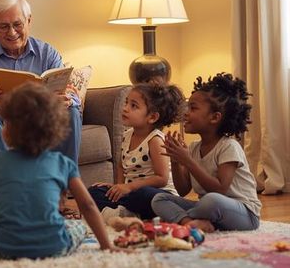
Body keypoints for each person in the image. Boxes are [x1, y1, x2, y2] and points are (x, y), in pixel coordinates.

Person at [0, 83, 113, 259]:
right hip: (54, 246)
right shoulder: (63, 163)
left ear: (8, 130)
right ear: (54, 130)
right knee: (77, 227)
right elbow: (87, 205)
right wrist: (106, 245)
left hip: (4, 248)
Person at [0, 0, 82, 165]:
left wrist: (68, 100)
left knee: (70, 112)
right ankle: (9, 181)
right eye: (3, 26)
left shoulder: (48, 53)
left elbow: (71, 95)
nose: (12, 32)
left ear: (29, 21)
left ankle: (62, 186)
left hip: (33, 116)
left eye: (17, 24)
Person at [152, 73, 261, 232]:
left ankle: (181, 219)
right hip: (209, 210)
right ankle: (190, 222)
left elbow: (220, 189)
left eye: (193, 108)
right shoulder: (194, 148)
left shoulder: (229, 146)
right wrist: (176, 160)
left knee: (211, 200)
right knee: (159, 198)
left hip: (244, 213)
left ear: (215, 117)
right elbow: (182, 190)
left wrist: (188, 160)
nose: (186, 113)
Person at [88, 82, 185, 222]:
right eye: (126, 103)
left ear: (152, 117)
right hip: (131, 193)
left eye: (133, 106)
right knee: (94, 191)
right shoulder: (127, 135)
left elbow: (161, 178)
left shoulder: (155, 140)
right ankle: (128, 213)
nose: (125, 108)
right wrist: (118, 187)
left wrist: (129, 187)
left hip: (158, 195)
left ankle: (128, 213)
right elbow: (122, 166)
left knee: (141, 195)